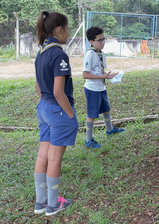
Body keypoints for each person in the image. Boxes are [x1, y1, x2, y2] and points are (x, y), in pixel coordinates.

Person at [34, 11, 78, 216]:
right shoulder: (59, 54)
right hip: (57, 111)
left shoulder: (41, 52)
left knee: (43, 154)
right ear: (59, 30)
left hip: (43, 108)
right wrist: (70, 114)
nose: (68, 33)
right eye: (67, 29)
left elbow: (38, 86)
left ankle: (41, 202)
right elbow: (58, 92)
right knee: (54, 158)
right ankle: (53, 205)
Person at [83, 26, 124, 149]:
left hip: (101, 88)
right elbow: (85, 74)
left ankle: (109, 130)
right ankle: (88, 139)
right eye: (99, 40)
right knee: (91, 116)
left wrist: (110, 76)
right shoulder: (90, 54)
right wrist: (103, 76)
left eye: (104, 39)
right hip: (92, 90)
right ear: (91, 41)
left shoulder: (101, 54)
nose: (103, 42)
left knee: (106, 110)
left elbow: (101, 72)